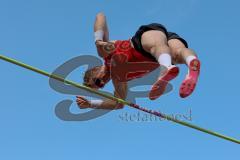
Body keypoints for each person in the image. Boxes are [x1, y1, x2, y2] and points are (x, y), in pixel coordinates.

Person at [76, 12, 201, 110]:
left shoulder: (105, 54)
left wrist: (98, 41)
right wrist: (90, 104)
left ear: (95, 70)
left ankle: (166, 68)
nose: (103, 82)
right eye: (101, 85)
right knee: (179, 53)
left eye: (97, 81)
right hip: (158, 54)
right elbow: (118, 104)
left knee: (156, 46)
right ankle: (191, 62)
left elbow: (100, 16)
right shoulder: (119, 80)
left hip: (142, 42)